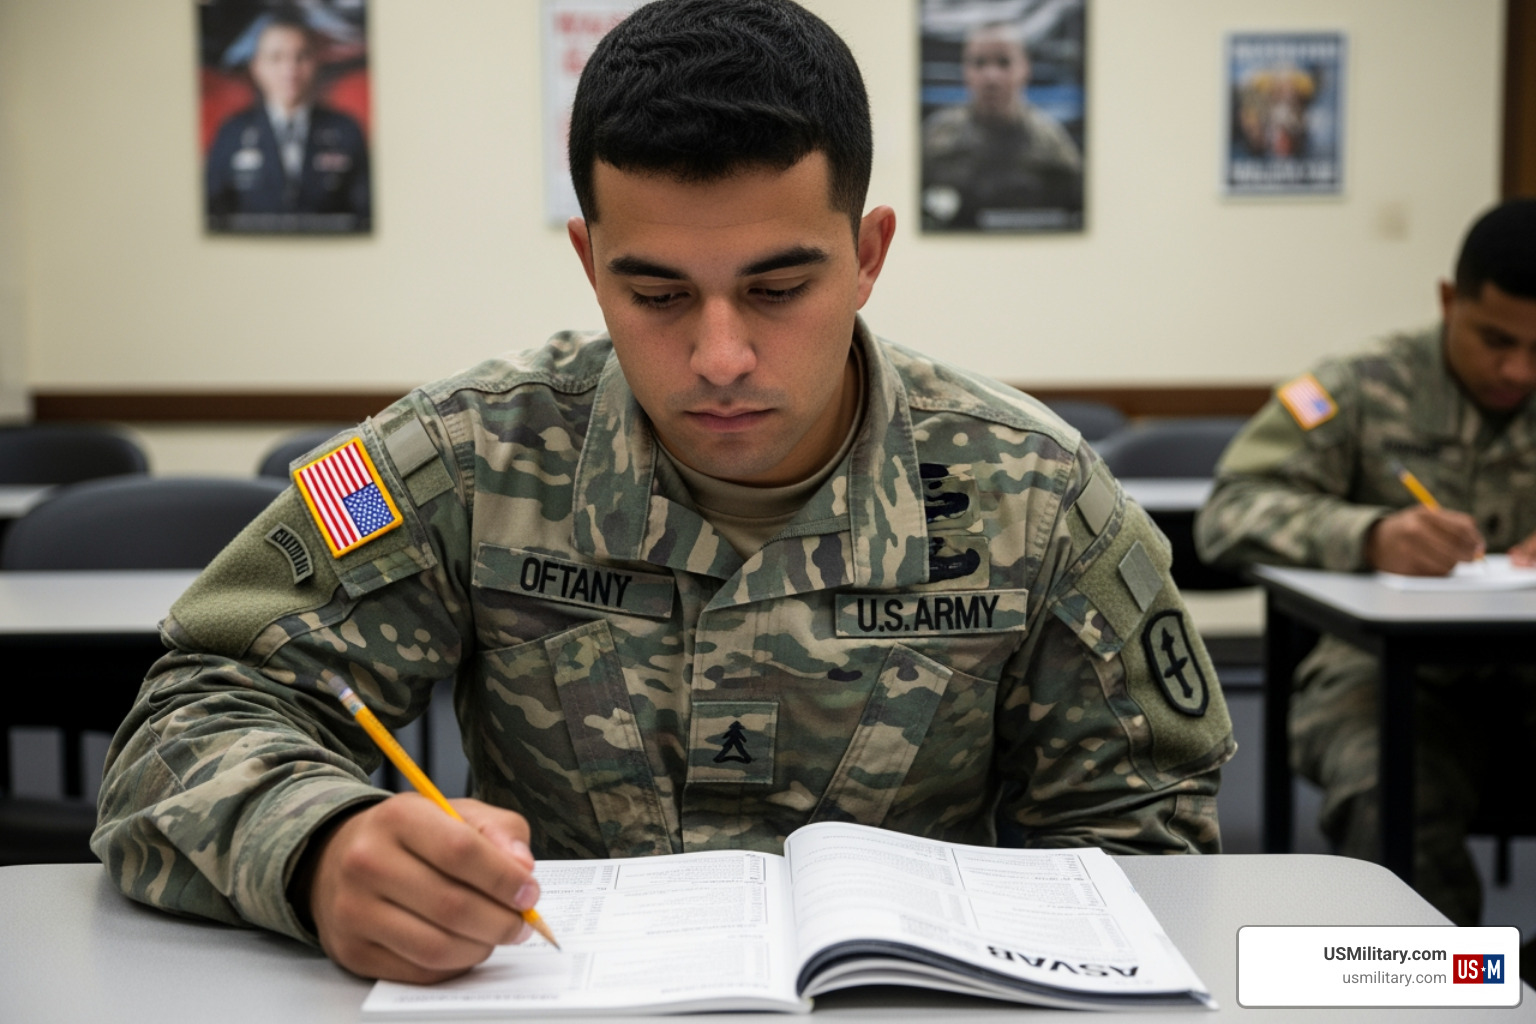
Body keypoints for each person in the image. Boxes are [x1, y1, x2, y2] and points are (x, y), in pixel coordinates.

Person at [97, 0, 1233, 985]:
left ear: (870, 251)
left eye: (778, 286)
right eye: (657, 294)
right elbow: (196, 703)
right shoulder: (470, 457)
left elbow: (1145, 836)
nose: (723, 354)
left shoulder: (1030, 493)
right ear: (591, 261)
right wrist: (321, 846)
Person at [1195, 198, 1536, 939]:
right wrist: (1368, 534)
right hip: (1384, 675)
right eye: (1496, 340)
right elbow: (1230, 511)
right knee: (1388, 783)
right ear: (1450, 301)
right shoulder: (1358, 386)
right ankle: (1438, 987)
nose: (1518, 370)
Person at [204, 11, 371, 232]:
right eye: (276, 58)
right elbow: (213, 215)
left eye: (301, 57)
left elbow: (365, 214)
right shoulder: (232, 132)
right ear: (256, 66)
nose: (289, 70)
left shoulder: (346, 130)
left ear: (316, 63)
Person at [921, 20, 1083, 231]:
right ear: (965, 70)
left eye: (1004, 62)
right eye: (979, 63)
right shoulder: (934, 140)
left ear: (1025, 69)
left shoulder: (1054, 147)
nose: (991, 77)